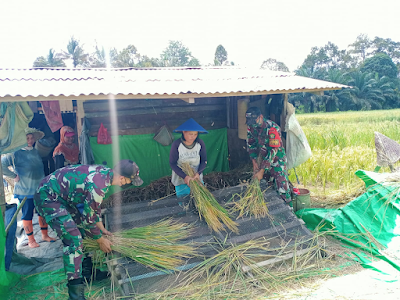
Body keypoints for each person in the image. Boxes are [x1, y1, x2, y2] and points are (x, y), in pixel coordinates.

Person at [33, 160, 143, 300]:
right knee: (74, 240)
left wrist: (101, 228)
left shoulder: (104, 174)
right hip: (47, 197)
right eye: (128, 181)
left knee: (82, 231)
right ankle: (75, 294)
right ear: (122, 178)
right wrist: (100, 240)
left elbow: (92, 208)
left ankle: (87, 271)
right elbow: (88, 219)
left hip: (61, 198)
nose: (126, 184)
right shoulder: (99, 185)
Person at [1, 128, 56, 249]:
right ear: (21, 139)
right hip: (25, 191)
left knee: (42, 213)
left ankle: (45, 235)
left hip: (39, 189)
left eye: (32, 138)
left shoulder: (35, 151)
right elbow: (2, 164)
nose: (30, 140)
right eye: (27, 138)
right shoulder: (15, 153)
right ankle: (31, 240)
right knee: (27, 215)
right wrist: (13, 176)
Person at [245, 107, 291, 203]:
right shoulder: (251, 127)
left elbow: (273, 150)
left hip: (277, 160)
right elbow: (251, 144)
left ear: (261, 117)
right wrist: (254, 162)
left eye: (254, 120)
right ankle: (273, 209)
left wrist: (262, 170)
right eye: (250, 121)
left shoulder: (272, 128)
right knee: (267, 186)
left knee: (281, 186)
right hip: (264, 159)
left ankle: (289, 210)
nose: (252, 123)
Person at [169, 118, 208, 198]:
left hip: (196, 179)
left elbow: (204, 160)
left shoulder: (200, 143)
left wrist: (198, 174)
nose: (193, 137)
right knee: (184, 204)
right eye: (190, 134)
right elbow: (172, 163)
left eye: (195, 134)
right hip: (181, 180)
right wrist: (185, 177)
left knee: (201, 201)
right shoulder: (177, 145)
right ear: (184, 132)